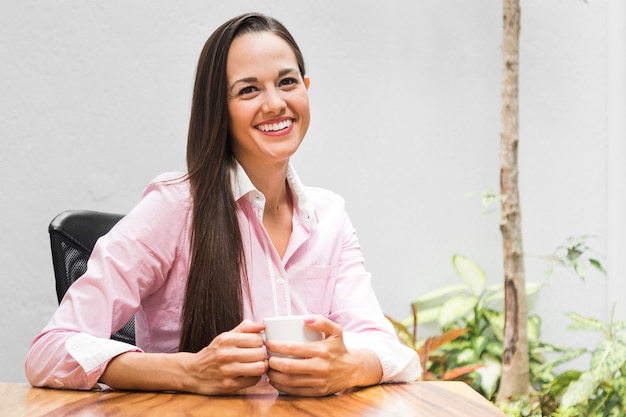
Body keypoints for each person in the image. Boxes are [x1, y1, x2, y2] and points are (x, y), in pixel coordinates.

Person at [25, 12, 421, 396]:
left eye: (287, 82)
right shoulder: (175, 207)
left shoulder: (329, 217)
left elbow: (388, 349)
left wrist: (348, 367)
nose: (275, 104)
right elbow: (49, 351)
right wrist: (189, 371)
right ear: (219, 108)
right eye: (249, 90)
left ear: (306, 87)